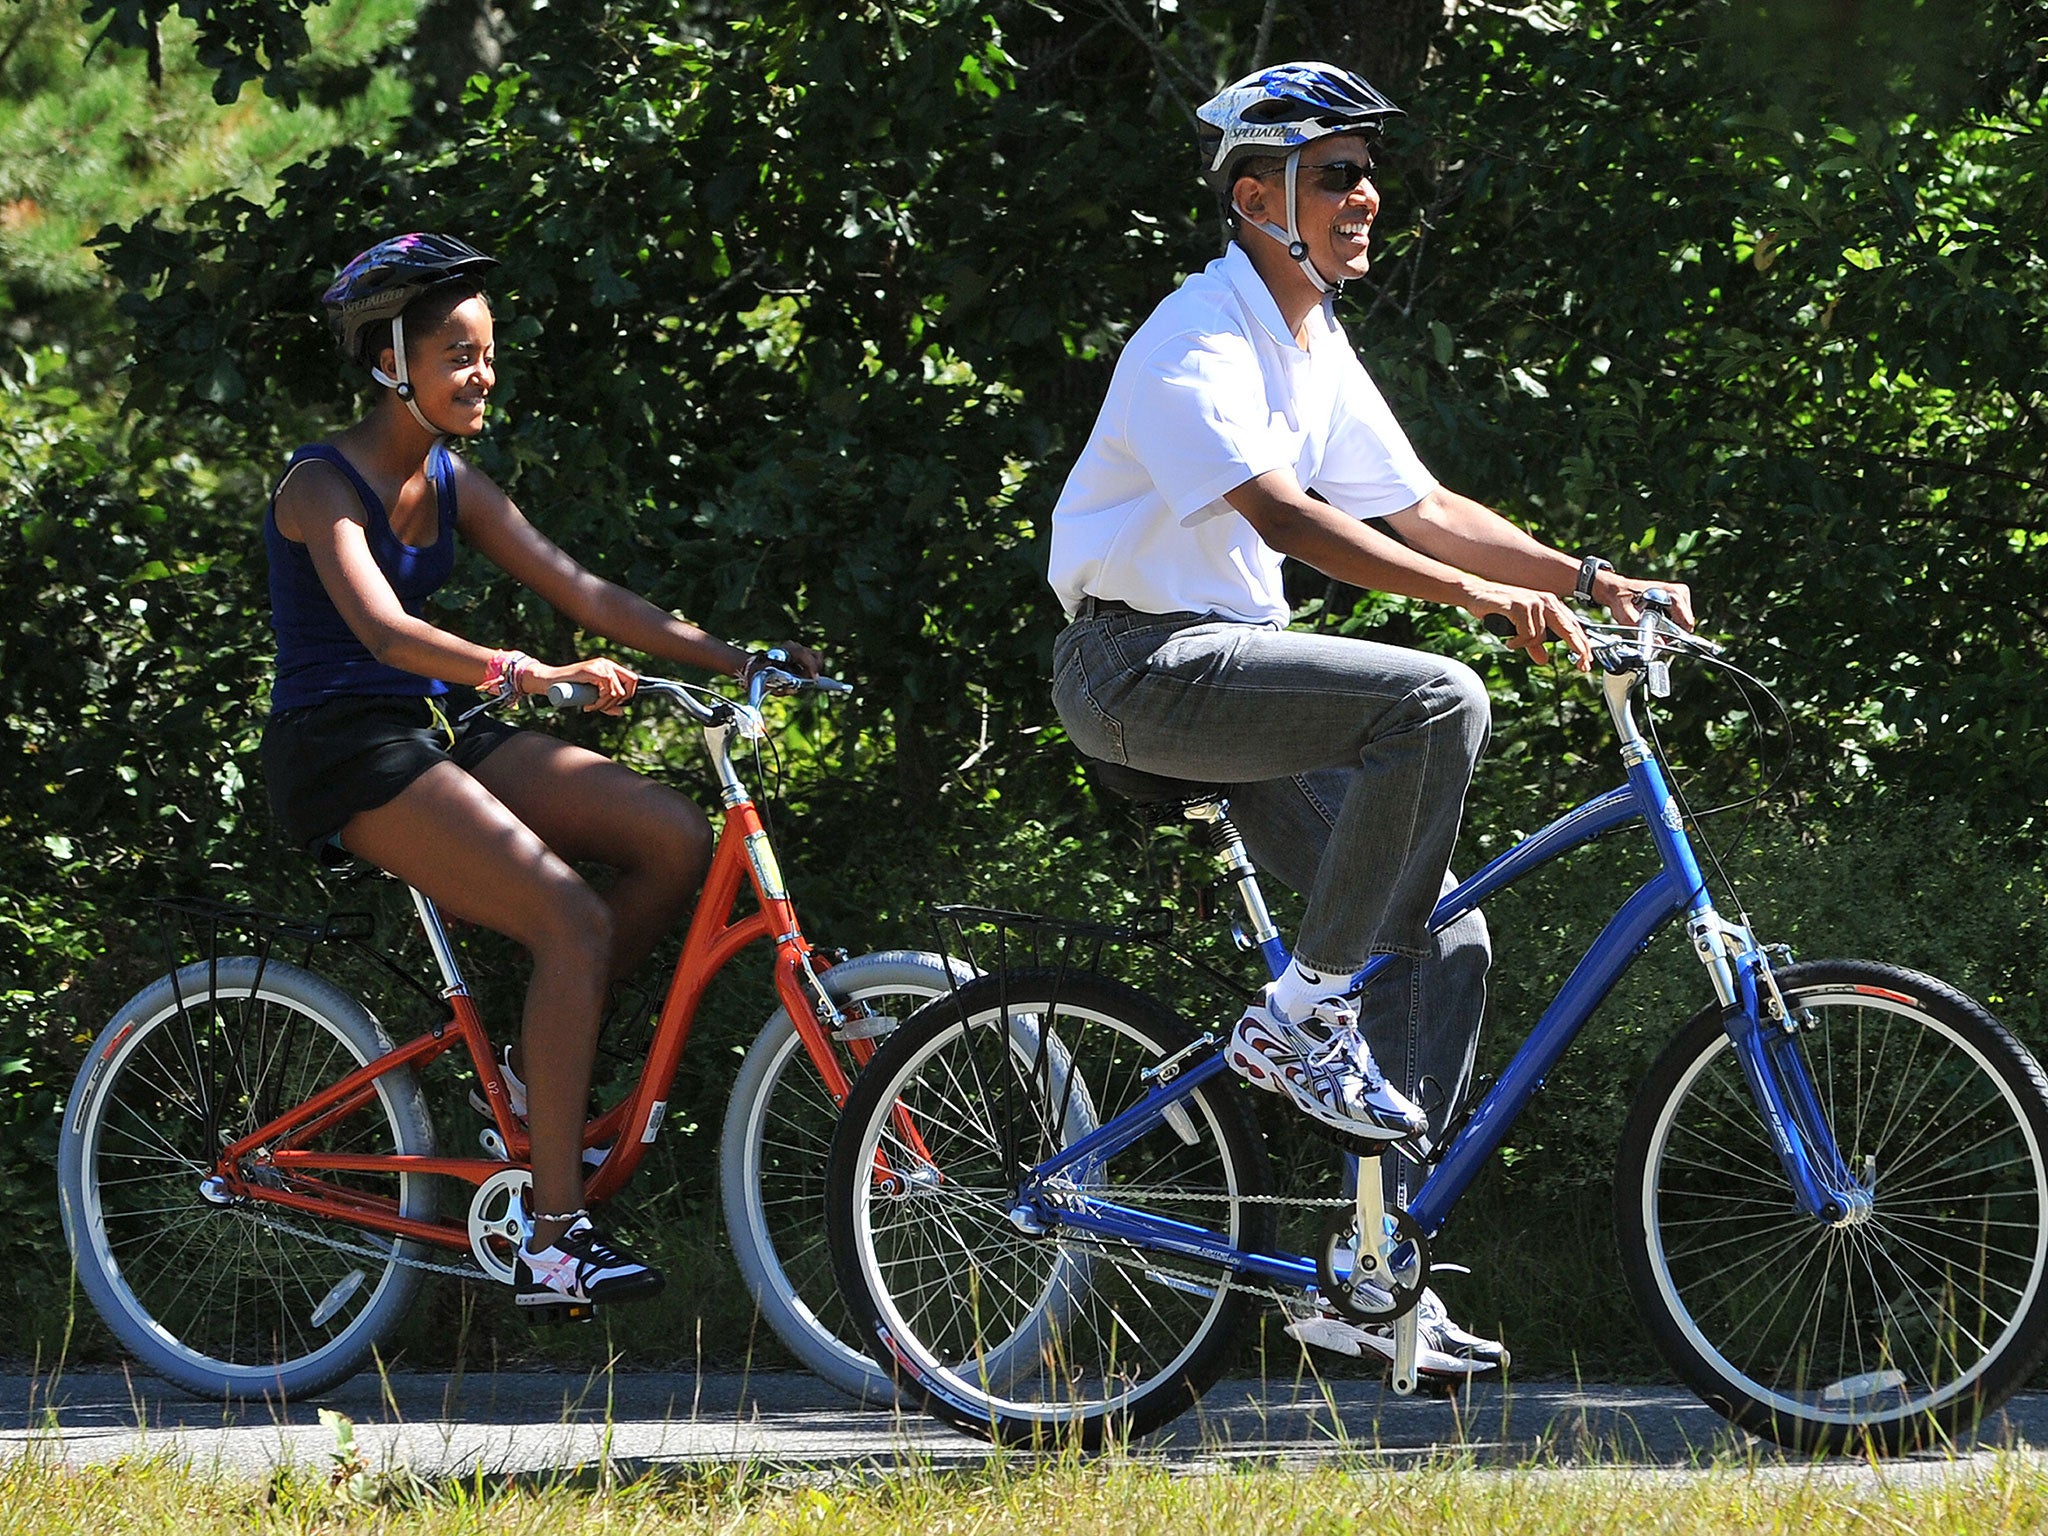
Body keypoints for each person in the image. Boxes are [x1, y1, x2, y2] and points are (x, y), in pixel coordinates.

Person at [1046, 64, 1694, 1374]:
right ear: (1255, 196)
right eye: (1335, 173)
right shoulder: (1199, 335)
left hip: (1234, 678)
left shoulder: (1309, 342)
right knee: (1437, 697)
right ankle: (1301, 1018)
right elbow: (1285, 517)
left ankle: (1368, 1276)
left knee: (1447, 938)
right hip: (1137, 671)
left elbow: (1422, 507)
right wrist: (1464, 603)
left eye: (1367, 173)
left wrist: (1592, 581)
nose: (1366, 196)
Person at [264, 233, 817, 1313]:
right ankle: (554, 1240)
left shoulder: (447, 477)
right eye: (458, 355)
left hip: (434, 727)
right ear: (390, 361)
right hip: (344, 748)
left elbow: (587, 592)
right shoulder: (317, 486)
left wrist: (738, 656)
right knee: (568, 917)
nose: (482, 374)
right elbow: (379, 631)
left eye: (488, 353)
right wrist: (523, 672)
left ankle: (532, 1071)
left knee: (668, 836)